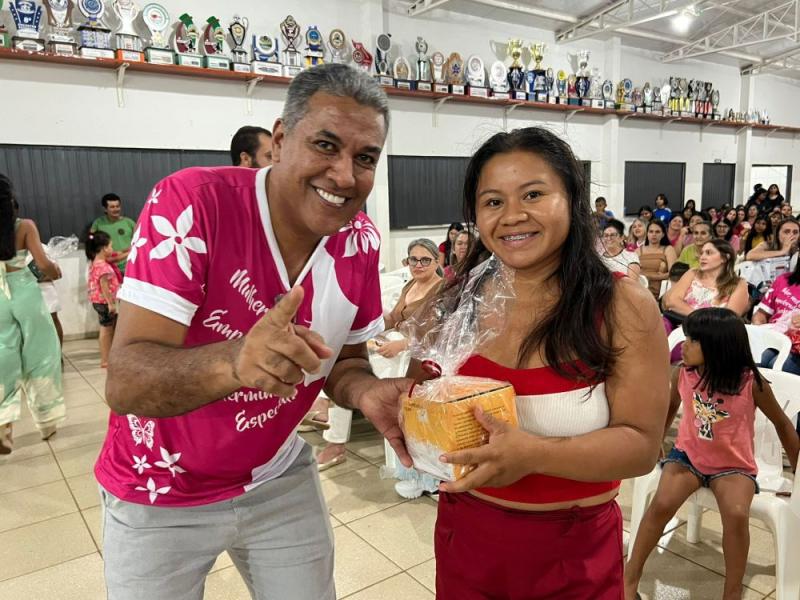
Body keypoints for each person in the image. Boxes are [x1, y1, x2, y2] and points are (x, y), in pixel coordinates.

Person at [96, 64, 410, 600]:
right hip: (158, 488)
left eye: (365, 158)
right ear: (282, 139)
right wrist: (236, 361)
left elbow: (346, 363)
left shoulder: (358, 240)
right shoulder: (194, 203)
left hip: (276, 476)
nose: (343, 175)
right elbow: (125, 381)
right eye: (326, 146)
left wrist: (368, 392)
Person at [425, 127, 669, 599]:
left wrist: (535, 454)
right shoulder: (460, 297)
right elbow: (427, 391)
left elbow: (641, 446)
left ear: (572, 199)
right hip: (466, 538)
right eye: (492, 201)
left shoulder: (621, 305)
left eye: (533, 194)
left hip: (570, 553)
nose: (512, 216)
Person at [625, 308, 800, 600]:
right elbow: (668, 408)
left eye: (693, 340)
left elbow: (783, 425)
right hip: (687, 458)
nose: (685, 345)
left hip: (733, 466)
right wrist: (657, 440)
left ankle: (731, 592)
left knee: (735, 514)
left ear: (718, 347)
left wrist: (797, 472)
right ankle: (629, 577)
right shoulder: (683, 373)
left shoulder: (751, 383)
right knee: (662, 504)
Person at [316, 238, 443, 472]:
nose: (418, 265)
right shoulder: (410, 286)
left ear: (438, 261)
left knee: (357, 376)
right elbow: (394, 319)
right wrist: (366, 327)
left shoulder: (442, 290)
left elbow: (438, 333)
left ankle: (335, 439)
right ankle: (333, 434)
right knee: (344, 366)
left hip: (417, 354)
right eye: (413, 259)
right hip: (394, 344)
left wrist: (403, 344)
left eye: (425, 260)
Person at [0, 174, 64, 453]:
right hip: (25, 292)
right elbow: (42, 264)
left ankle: (4, 426)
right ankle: (46, 421)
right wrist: (55, 271)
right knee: (42, 354)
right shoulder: (24, 226)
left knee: (3, 356)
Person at [663, 239, 749, 330]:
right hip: (681, 323)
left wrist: (701, 321)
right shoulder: (692, 273)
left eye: (708, 253)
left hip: (712, 333)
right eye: (702, 253)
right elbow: (671, 301)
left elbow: (729, 319)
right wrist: (699, 317)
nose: (702, 257)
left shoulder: (738, 284)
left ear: (725, 258)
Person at [752, 256, 800, 375]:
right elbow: (761, 314)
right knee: (757, 361)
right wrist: (757, 330)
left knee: (778, 366)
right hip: (773, 337)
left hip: (797, 349)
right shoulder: (783, 280)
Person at [86, 231, 121, 368]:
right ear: (104, 248)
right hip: (103, 302)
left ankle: (109, 357)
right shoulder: (103, 266)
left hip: (98, 301)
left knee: (108, 328)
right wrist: (110, 303)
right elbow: (104, 285)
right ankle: (105, 360)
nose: (112, 249)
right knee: (106, 330)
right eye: (111, 246)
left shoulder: (96, 262)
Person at [90, 193, 137, 277]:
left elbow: (139, 241)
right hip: (108, 269)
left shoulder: (129, 223)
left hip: (130, 267)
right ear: (105, 209)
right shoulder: (98, 223)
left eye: (117, 206)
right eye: (112, 207)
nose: (116, 209)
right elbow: (91, 241)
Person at [638, 219, 677, 300]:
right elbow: (633, 273)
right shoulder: (638, 250)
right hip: (640, 288)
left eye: (657, 232)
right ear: (647, 234)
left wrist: (651, 277)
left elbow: (672, 273)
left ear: (663, 234)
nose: (654, 234)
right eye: (651, 231)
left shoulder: (668, 249)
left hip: (661, 291)